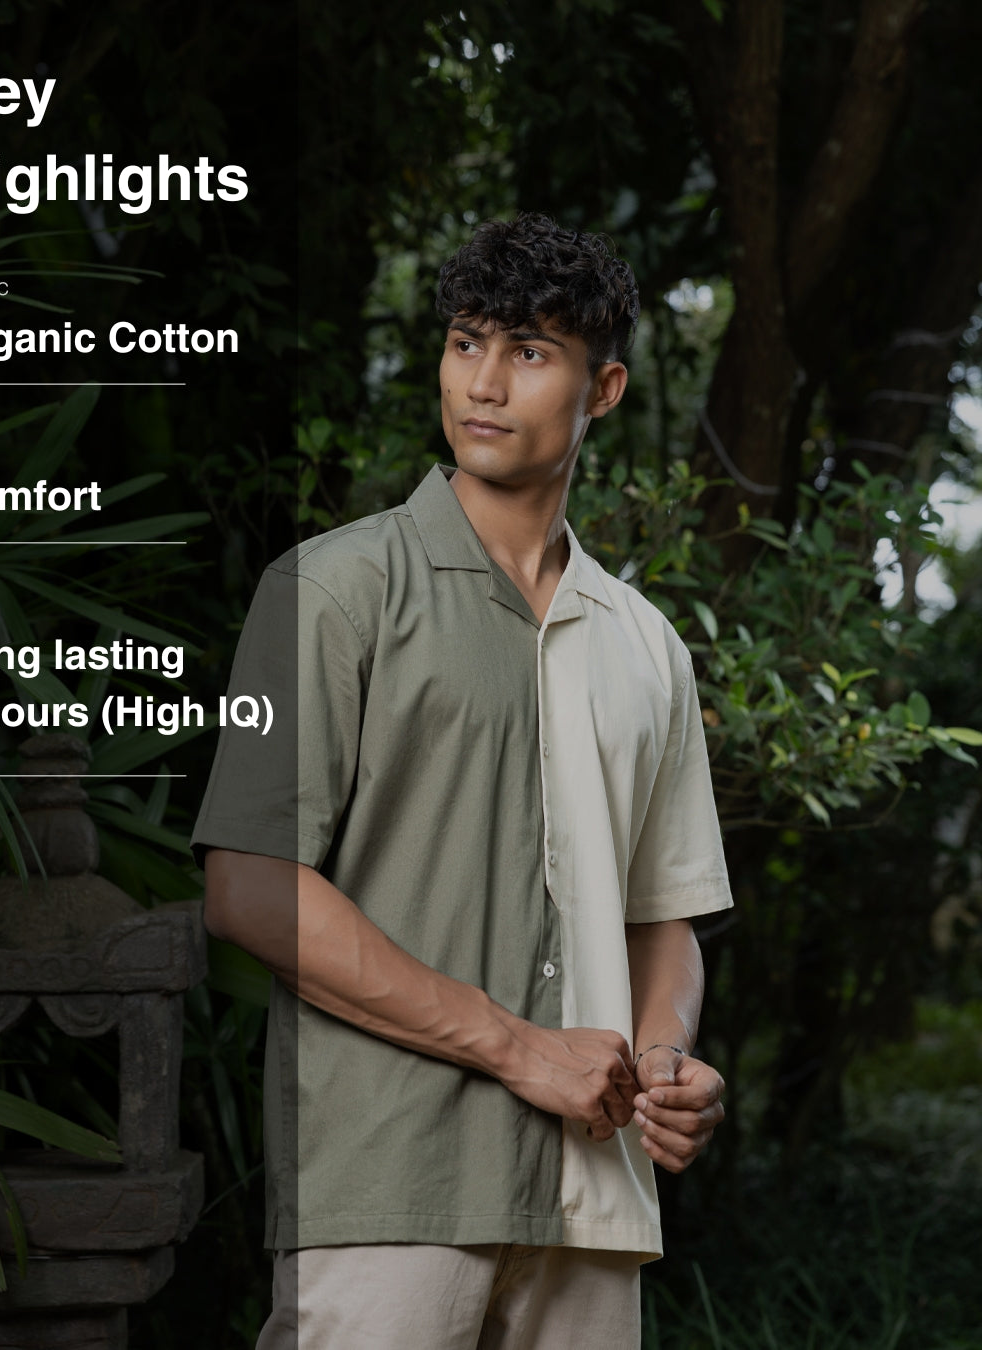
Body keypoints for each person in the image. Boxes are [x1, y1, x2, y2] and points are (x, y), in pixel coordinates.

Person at [192, 212, 733, 1349]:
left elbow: (664, 915)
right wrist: (521, 1048)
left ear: (605, 389)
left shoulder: (648, 646)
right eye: (465, 341)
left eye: (530, 352)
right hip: (388, 1184)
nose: (484, 382)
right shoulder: (331, 591)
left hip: (595, 1202)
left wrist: (666, 1056)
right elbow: (249, 886)